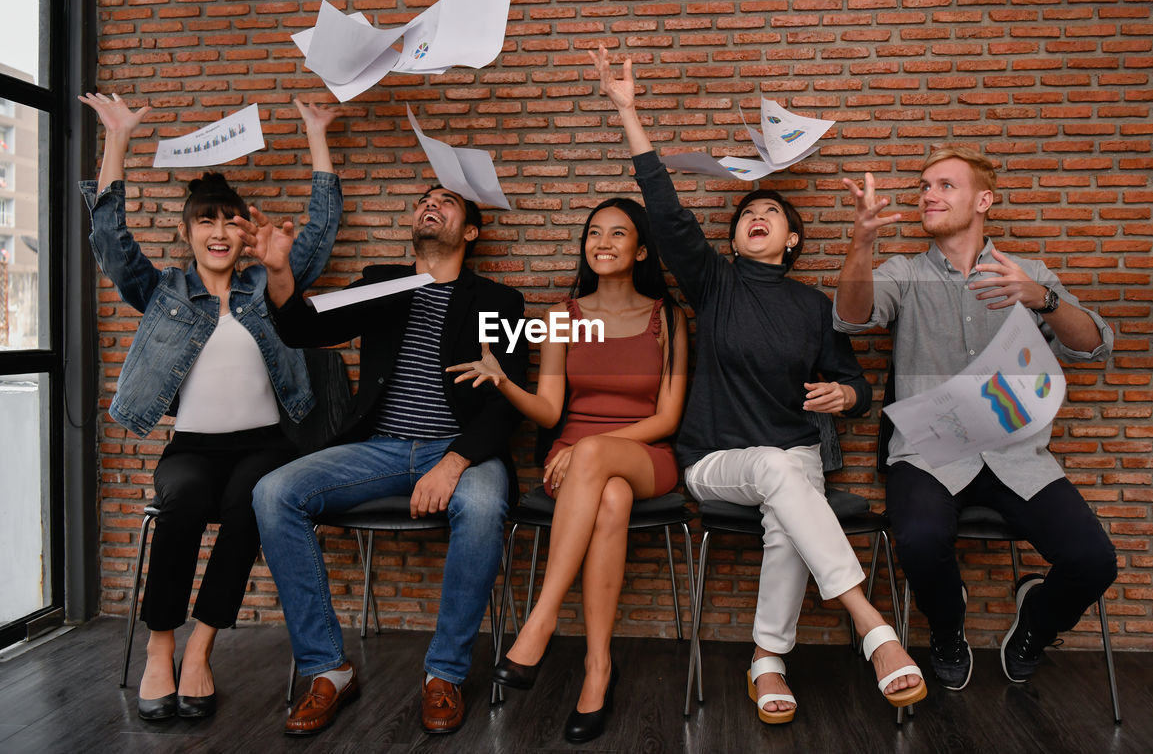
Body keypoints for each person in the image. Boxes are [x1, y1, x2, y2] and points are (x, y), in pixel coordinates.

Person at [590, 45, 926, 725]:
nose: (757, 216)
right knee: (780, 472)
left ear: (793, 241)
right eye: (748, 213)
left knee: (787, 516)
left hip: (794, 458)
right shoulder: (713, 284)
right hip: (716, 459)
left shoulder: (813, 306)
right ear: (736, 235)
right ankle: (871, 623)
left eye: (772, 214)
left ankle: (766, 659)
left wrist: (846, 396)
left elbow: (857, 385)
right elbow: (666, 207)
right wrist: (629, 112)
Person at [77, 93, 344, 721]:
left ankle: (201, 646)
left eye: (230, 222)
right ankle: (160, 647)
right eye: (206, 222)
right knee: (184, 502)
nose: (220, 232)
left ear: (244, 231)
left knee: (254, 502)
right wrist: (117, 140)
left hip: (265, 444)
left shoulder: (266, 284)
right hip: (192, 447)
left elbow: (320, 231)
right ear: (189, 232)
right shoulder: (163, 289)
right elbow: (111, 242)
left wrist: (316, 135)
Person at [246, 182, 528, 737]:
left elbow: (508, 402)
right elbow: (306, 328)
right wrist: (279, 272)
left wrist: (453, 463)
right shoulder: (383, 284)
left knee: (484, 503)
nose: (430, 203)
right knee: (273, 493)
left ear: (469, 231)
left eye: (446, 200)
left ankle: (443, 674)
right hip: (379, 449)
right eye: (424, 197)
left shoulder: (500, 301)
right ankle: (328, 671)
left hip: (465, 452)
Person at [833, 145, 1118, 690]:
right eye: (923, 185)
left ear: (983, 200)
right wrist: (863, 241)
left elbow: (1095, 346)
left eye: (944, 185)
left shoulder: (1028, 273)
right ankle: (946, 626)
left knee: (1093, 559)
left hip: (1016, 455)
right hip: (930, 453)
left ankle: (1034, 624)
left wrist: (1044, 300)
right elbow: (851, 317)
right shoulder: (904, 272)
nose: (928, 194)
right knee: (915, 540)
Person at [448, 197, 689, 743]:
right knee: (611, 500)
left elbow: (667, 417)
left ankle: (543, 617)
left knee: (598, 458)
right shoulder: (564, 317)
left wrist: (586, 448)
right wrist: (507, 383)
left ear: (641, 249)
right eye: (594, 234)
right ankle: (598, 668)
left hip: (642, 452)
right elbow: (553, 412)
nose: (602, 243)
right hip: (577, 468)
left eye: (618, 234)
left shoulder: (665, 317)